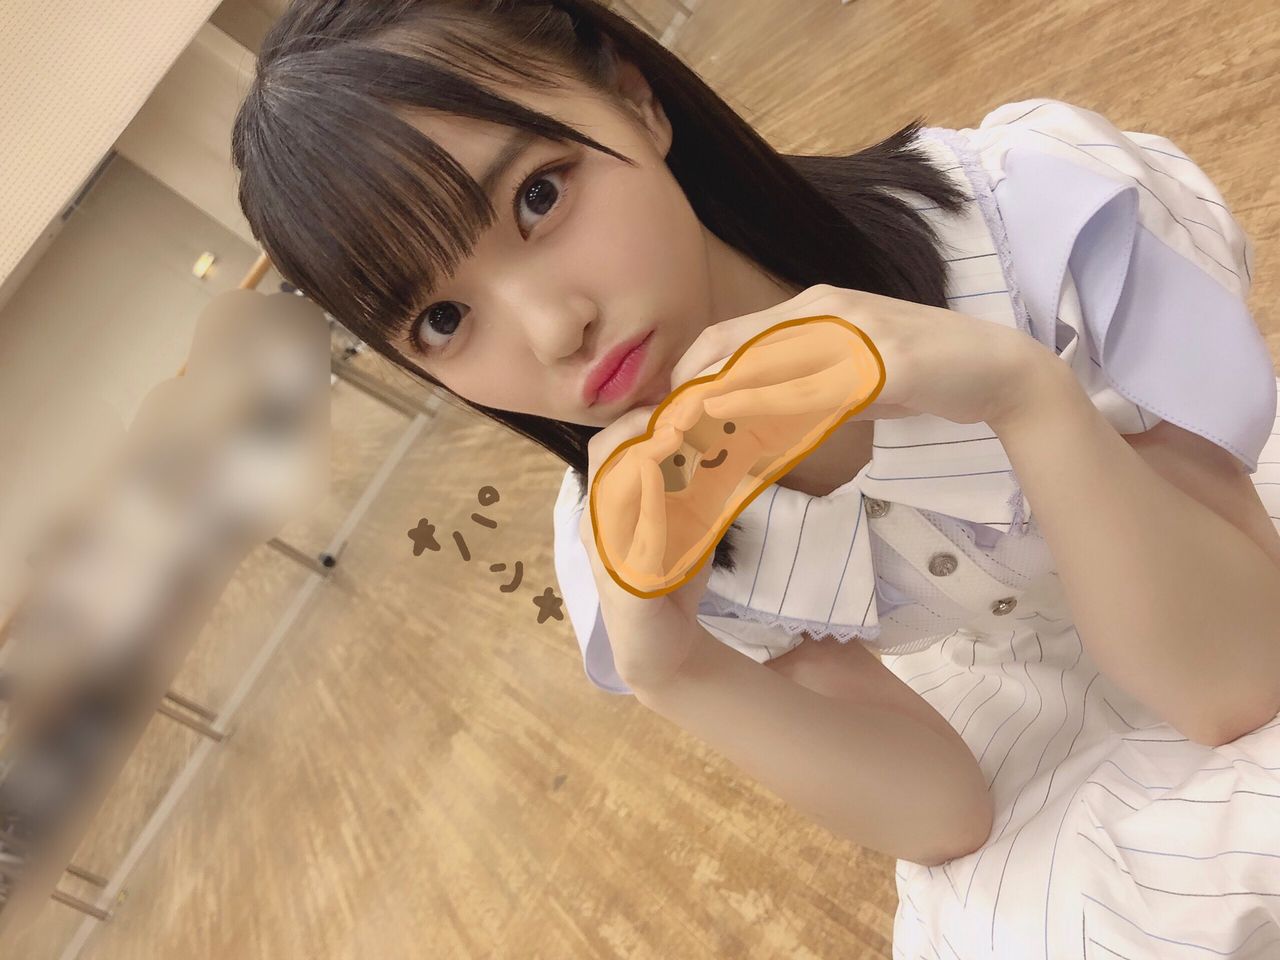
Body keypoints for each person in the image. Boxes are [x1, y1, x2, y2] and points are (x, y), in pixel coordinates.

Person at [230, 2, 1280, 957]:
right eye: (444, 320)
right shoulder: (634, 539)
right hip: (1025, 682)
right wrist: (677, 671)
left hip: (1215, 570)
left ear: (637, 101)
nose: (554, 329)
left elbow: (1236, 682)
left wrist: (1023, 393)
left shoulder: (1025, 225)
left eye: (538, 196)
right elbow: (945, 817)